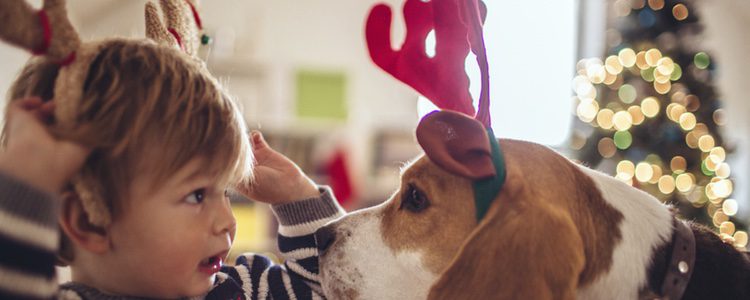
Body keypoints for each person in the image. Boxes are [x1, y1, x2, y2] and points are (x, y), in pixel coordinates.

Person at [0, 38, 343, 300]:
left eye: (224, 190)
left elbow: (331, 287)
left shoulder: (238, 288)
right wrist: (27, 190)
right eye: (196, 195)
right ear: (91, 220)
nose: (228, 221)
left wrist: (299, 197)